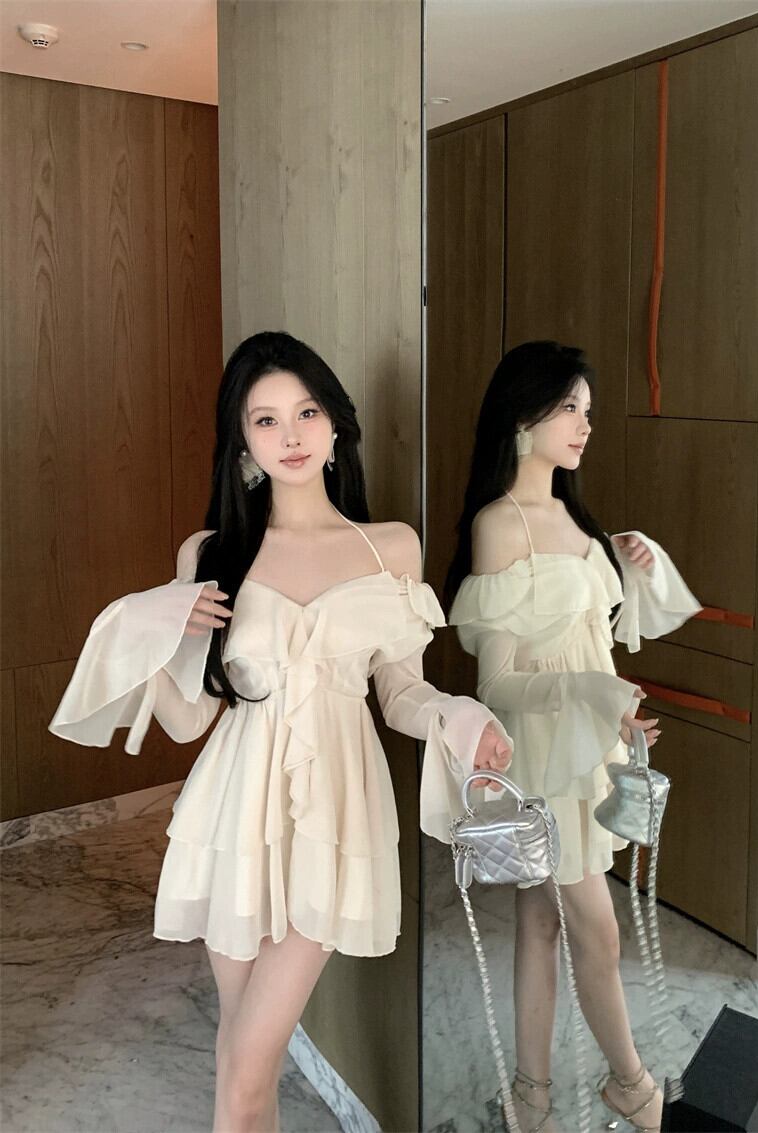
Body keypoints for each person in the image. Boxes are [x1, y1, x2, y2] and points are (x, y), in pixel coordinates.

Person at [49, 331, 512, 1133]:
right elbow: (193, 717)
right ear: (243, 442)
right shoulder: (212, 552)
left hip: (334, 815)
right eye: (265, 420)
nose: (290, 434)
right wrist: (149, 630)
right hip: (234, 814)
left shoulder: (389, 546)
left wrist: (460, 717)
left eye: (306, 412)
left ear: (335, 424)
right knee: (241, 1062)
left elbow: (401, 691)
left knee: (245, 1069)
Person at [444, 341, 701, 1133]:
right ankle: (630, 1084)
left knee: (541, 919)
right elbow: (499, 685)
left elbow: (602, 634)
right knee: (598, 926)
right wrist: (594, 692)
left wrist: (631, 563)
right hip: (545, 755)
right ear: (522, 417)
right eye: (568, 407)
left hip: (587, 750)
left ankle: (532, 1095)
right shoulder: (500, 525)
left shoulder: (576, 520)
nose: (585, 424)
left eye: (587, 409)